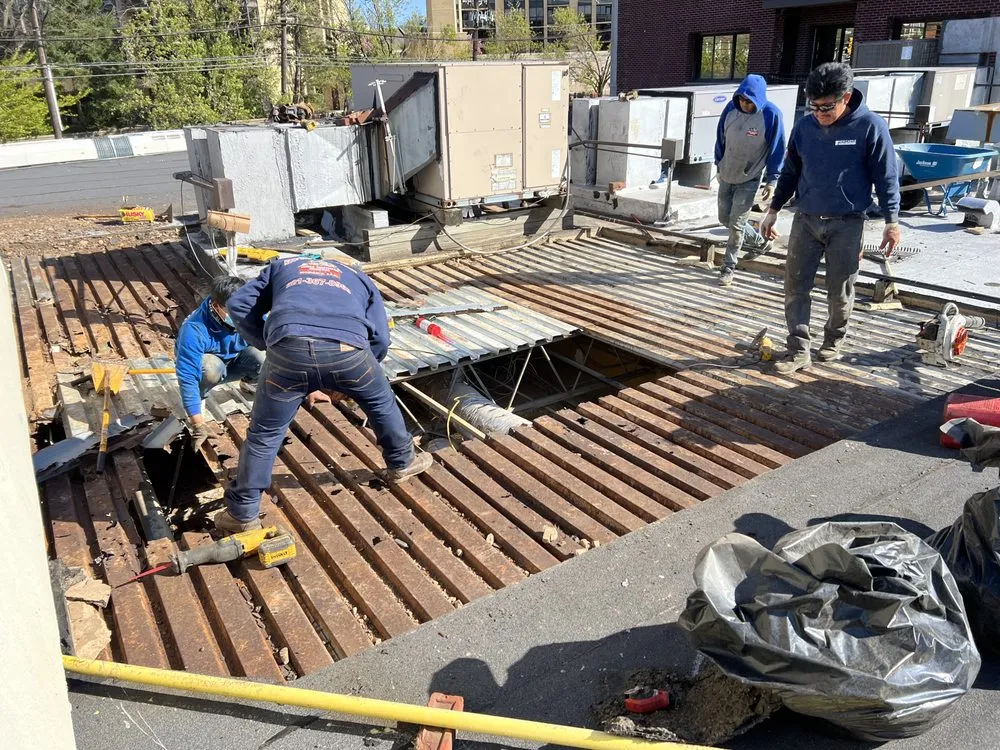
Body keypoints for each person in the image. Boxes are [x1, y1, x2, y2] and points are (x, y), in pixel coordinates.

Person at [215, 257, 431, 533]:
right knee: (380, 401)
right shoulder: (359, 278)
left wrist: (268, 344)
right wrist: (355, 377)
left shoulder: (282, 267)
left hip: (287, 348)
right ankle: (402, 462)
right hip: (348, 350)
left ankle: (242, 513)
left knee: (264, 434)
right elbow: (381, 339)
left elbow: (239, 304)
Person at [761, 62, 901, 374]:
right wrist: (773, 211)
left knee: (840, 291)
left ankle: (833, 340)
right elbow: (790, 172)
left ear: (846, 97)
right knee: (795, 287)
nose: (820, 114)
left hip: (847, 223)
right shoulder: (804, 127)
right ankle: (798, 349)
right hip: (806, 219)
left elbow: (887, 177)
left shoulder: (870, 127)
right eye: (813, 106)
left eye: (827, 107)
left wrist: (892, 221)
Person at [176, 276, 265, 452]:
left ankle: (250, 381)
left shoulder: (253, 311)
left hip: (238, 357)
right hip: (211, 365)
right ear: (216, 306)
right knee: (209, 368)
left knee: (264, 357)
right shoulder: (194, 329)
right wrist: (198, 425)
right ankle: (201, 397)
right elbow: (188, 377)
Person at [714, 74, 786, 287]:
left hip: (749, 177)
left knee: (736, 225)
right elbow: (720, 136)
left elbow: (777, 149)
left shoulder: (771, 115)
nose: (745, 104)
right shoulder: (730, 109)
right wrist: (719, 163)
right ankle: (759, 243)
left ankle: (728, 266)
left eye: (750, 101)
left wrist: (772, 180)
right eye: (742, 100)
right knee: (724, 218)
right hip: (727, 173)